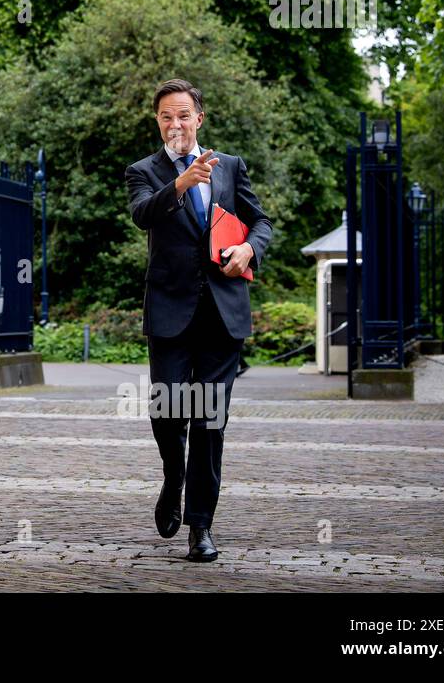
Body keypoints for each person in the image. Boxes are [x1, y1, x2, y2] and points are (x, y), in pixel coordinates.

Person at [124, 79, 272, 562]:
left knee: (210, 422)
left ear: (199, 118)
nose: (175, 124)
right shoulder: (143, 171)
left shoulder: (229, 166)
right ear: (158, 122)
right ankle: (173, 479)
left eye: (183, 115)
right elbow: (143, 215)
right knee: (168, 413)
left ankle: (201, 527)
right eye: (166, 116)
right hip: (169, 313)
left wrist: (250, 247)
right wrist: (180, 184)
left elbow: (260, 221)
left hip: (222, 314)